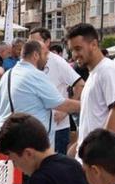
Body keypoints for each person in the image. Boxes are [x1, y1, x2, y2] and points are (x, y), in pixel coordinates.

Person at [0, 39, 81, 139]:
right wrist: (88, 104)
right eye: (45, 54)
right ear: (35, 55)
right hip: (28, 142)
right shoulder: (35, 76)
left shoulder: (8, 75)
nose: (47, 58)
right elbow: (61, 104)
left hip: (4, 136)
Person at [68, 23, 115, 155]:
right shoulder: (94, 73)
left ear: (93, 44)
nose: (75, 55)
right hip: (88, 157)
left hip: (100, 159)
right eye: (72, 50)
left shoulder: (108, 70)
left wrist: (100, 151)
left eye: (78, 49)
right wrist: (78, 147)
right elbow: (93, 119)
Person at [29, 27, 84, 155]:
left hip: (57, 127)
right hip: (37, 126)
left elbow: (80, 85)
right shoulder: (32, 62)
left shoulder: (58, 62)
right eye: (30, 41)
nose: (33, 45)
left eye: (36, 41)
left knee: (55, 168)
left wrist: (66, 111)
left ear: (47, 42)